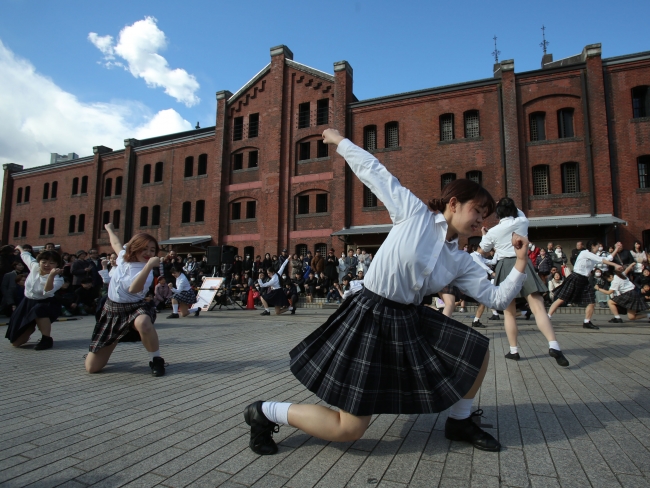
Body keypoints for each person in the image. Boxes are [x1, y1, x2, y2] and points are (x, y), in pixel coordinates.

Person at [243, 128, 531, 457]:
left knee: (477, 351)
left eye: (486, 215)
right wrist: (340, 142)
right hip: (370, 315)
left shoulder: (460, 260)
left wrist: (520, 261)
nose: (482, 220)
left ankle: (460, 421)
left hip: (409, 318)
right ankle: (264, 411)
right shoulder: (414, 214)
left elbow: (497, 299)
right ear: (453, 203)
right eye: (477, 211)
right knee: (348, 428)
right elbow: (374, 171)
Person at [480, 198, 568, 366]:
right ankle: (553, 345)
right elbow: (520, 212)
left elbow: (484, 249)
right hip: (524, 263)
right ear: (513, 209)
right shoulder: (522, 221)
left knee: (509, 312)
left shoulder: (494, 231)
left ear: (498, 214)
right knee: (538, 308)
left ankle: (514, 350)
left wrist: (485, 234)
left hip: (505, 266)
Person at [85, 224, 166, 376]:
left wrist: (148, 266)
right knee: (92, 368)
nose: (148, 253)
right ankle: (112, 341)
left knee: (143, 322)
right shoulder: (122, 257)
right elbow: (115, 243)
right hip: (113, 310)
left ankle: (156, 359)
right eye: (144, 248)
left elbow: (133, 289)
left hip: (135, 307)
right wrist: (109, 229)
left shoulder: (146, 271)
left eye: (152, 250)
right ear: (134, 248)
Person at [548, 241, 623, 329]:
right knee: (562, 299)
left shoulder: (594, 256)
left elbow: (608, 258)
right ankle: (547, 317)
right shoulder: (585, 253)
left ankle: (587, 322)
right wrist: (615, 265)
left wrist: (616, 249)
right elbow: (602, 260)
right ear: (593, 246)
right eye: (598, 246)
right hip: (575, 277)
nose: (599, 248)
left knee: (591, 301)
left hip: (584, 280)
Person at [5, 246, 63, 350]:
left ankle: (46, 339)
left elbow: (47, 292)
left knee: (39, 310)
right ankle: (31, 326)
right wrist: (20, 248)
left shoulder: (58, 279)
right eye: (44, 261)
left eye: (51, 263)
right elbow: (27, 256)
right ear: (39, 261)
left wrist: (51, 276)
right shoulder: (34, 266)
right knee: (16, 342)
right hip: (27, 303)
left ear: (57, 265)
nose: (47, 265)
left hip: (46, 304)